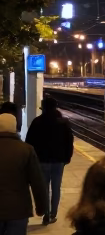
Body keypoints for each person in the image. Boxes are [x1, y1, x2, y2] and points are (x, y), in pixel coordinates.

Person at [25, 95, 75, 224]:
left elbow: (29, 142)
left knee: (44, 187)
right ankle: (53, 214)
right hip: (59, 161)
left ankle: (46, 214)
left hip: (42, 161)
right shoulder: (63, 123)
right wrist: (67, 157)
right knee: (56, 187)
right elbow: (69, 141)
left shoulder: (37, 122)